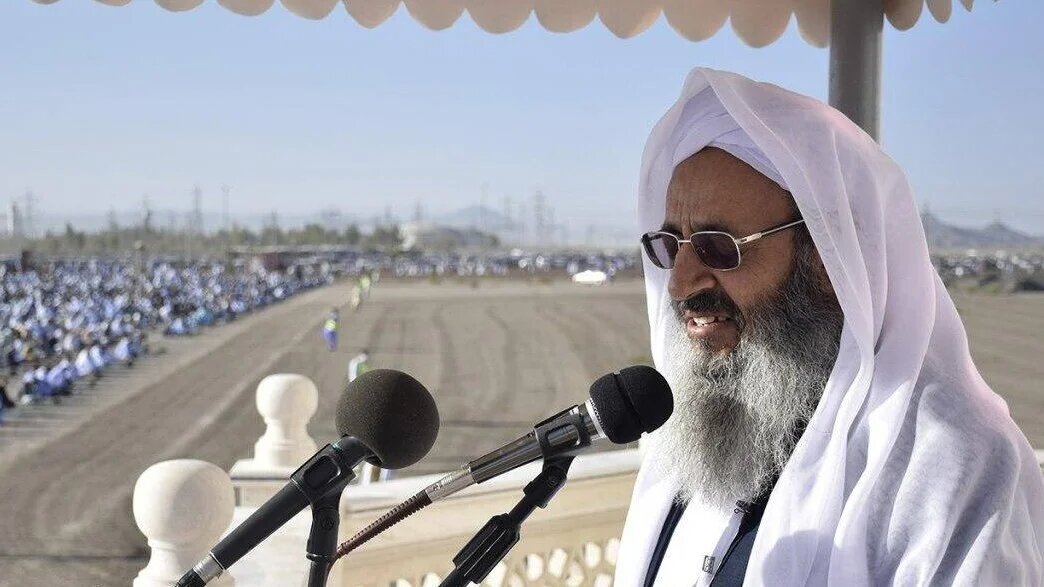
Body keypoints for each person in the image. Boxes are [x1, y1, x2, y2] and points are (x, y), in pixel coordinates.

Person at [617, 68, 1044, 586]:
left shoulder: (955, 464)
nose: (681, 283)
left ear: (826, 259)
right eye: (670, 245)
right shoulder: (690, 442)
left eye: (718, 246)